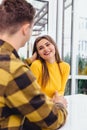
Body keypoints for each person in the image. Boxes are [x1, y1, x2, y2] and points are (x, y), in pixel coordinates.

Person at [0, 0, 68, 130]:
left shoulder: (11, 66)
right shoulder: (16, 71)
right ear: (26, 29)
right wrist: (60, 105)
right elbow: (52, 120)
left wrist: (28, 61)